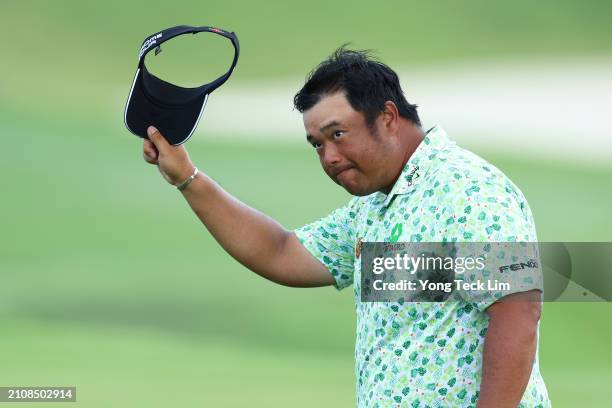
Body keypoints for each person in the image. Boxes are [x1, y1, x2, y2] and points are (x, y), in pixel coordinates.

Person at [142, 47, 551, 408]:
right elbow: (283, 252)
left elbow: (518, 310)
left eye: (338, 134)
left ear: (388, 116)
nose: (329, 157)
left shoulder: (468, 188)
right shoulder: (373, 207)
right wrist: (186, 177)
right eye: (317, 144)